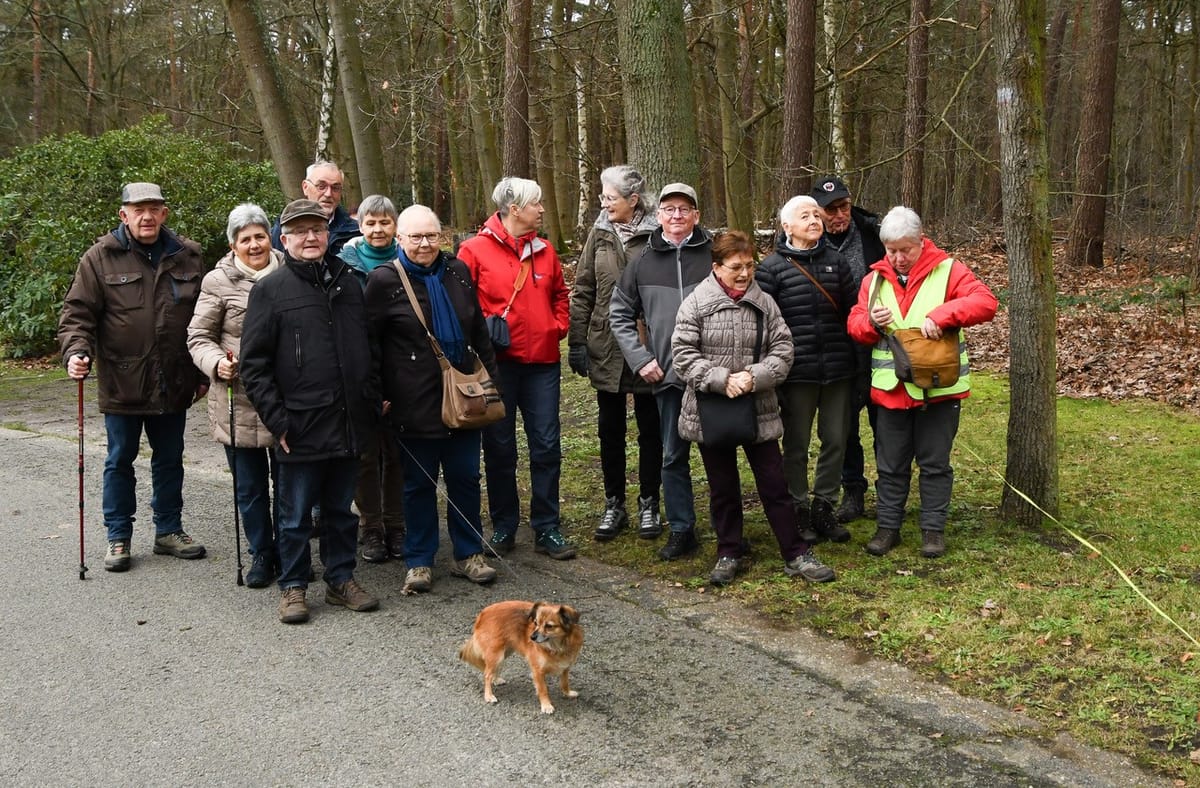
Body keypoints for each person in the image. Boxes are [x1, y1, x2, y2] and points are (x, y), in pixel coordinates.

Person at [240, 198, 381, 623]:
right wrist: (278, 420)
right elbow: (254, 365)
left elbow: (368, 350)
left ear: (327, 234)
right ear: (285, 239)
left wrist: (370, 399)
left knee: (341, 512)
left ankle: (341, 579)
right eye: (300, 231)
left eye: (317, 229)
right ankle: (294, 586)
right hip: (299, 425)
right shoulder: (270, 290)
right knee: (296, 515)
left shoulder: (349, 283)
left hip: (348, 421)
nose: (310, 237)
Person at [58, 182, 208, 573]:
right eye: (138, 209)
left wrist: (202, 370)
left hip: (175, 379)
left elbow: (204, 317)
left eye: (153, 208)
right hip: (123, 381)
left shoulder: (187, 256)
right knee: (120, 459)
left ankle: (169, 530)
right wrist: (76, 351)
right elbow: (76, 314)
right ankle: (118, 535)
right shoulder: (99, 258)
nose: (146, 216)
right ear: (123, 215)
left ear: (164, 213)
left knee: (170, 458)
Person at [673, 231, 836, 585]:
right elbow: (683, 356)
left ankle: (795, 553)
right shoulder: (695, 304)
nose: (745, 274)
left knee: (774, 482)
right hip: (711, 410)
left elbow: (784, 350)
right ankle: (728, 551)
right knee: (723, 486)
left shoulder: (765, 302)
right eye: (736, 267)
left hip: (758, 405)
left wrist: (754, 376)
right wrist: (720, 379)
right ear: (716, 268)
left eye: (749, 265)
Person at [847, 206, 998, 559]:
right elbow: (854, 324)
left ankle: (933, 530)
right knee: (890, 465)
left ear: (920, 241)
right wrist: (870, 321)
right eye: (891, 251)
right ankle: (888, 528)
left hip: (940, 391)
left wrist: (944, 314)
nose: (898, 258)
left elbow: (986, 302)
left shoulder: (949, 271)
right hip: (890, 392)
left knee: (934, 464)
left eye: (906, 250)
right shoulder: (873, 281)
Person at [365, 204, 500, 592]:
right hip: (412, 399)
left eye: (432, 236)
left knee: (465, 477)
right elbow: (370, 345)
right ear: (399, 239)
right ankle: (420, 560)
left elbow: (477, 331)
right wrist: (378, 396)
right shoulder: (383, 281)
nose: (425, 244)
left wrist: (494, 383)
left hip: (464, 394)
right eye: (416, 237)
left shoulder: (458, 271)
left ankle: (468, 554)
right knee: (418, 484)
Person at [457, 177, 574, 561]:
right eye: (536, 204)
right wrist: (486, 332)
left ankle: (547, 526)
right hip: (497, 366)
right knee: (500, 447)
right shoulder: (473, 251)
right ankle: (504, 523)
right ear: (514, 209)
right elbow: (462, 304)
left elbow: (560, 295)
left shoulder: (546, 250)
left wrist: (556, 327)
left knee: (546, 445)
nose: (542, 209)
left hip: (543, 363)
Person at [610, 183, 713, 561]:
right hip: (667, 377)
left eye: (684, 209)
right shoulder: (642, 261)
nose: (676, 216)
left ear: (696, 216)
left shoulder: (714, 256)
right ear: (659, 216)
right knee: (672, 456)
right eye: (669, 209)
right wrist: (641, 358)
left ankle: (727, 527)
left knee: (717, 452)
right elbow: (618, 315)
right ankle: (682, 528)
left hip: (713, 375)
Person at [186, 203, 283, 588]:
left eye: (260, 236)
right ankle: (262, 552)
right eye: (246, 239)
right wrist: (215, 364)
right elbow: (198, 337)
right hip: (237, 399)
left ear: (270, 238)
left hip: (284, 398)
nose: (254, 244)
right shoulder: (217, 282)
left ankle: (289, 552)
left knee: (291, 486)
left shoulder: (291, 272)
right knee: (250, 486)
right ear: (232, 245)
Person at [567, 165, 663, 542]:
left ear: (633, 200)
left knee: (650, 427)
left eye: (610, 198)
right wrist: (577, 340)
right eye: (603, 197)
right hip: (605, 342)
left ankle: (650, 501)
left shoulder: (657, 234)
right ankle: (614, 502)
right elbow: (584, 287)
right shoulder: (600, 232)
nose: (604, 204)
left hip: (647, 343)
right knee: (610, 428)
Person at [755, 195, 858, 545]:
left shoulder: (837, 262)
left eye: (817, 214)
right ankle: (798, 507)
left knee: (835, 439)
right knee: (796, 444)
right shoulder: (770, 268)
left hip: (837, 369)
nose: (815, 220)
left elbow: (851, 313)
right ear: (787, 227)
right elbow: (764, 324)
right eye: (805, 216)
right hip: (796, 372)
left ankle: (824, 507)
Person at [812, 176, 886, 525]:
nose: (838, 215)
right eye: (830, 211)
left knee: (883, 419)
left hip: (877, 340)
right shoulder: (806, 240)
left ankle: (889, 489)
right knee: (843, 425)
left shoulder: (874, 234)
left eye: (843, 207)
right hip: (833, 343)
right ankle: (852, 490)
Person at [338, 195, 406, 564]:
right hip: (361, 368)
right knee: (365, 454)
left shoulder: (408, 258)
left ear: (395, 225)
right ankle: (371, 527)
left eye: (385, 222)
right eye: (371, 223)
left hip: (401, 369)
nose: (378, 230)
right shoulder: (344, 265)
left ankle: (397, 524)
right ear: (359, 226)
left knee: (396, 453)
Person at [270, 160, 361, 256]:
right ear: (305, 187)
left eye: (335, 188)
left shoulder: (355, 231)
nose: (328, 194)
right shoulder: (282, 228)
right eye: (321, 186)